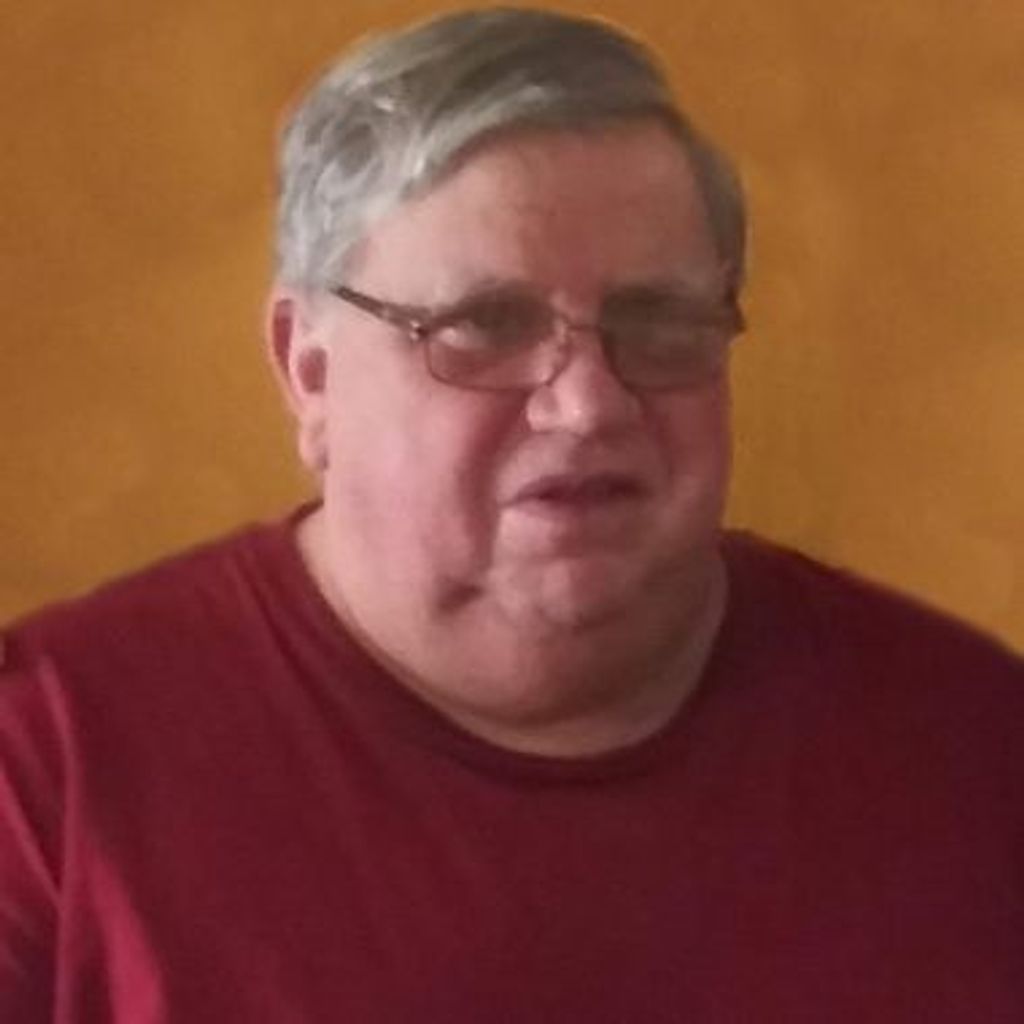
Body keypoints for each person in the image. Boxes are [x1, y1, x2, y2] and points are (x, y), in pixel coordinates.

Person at [1, 8, 1021, 1021]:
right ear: (309, 371)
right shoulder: (47, 777)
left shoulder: (976, 748)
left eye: (657, 322)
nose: (589, 404)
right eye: (485, 324)